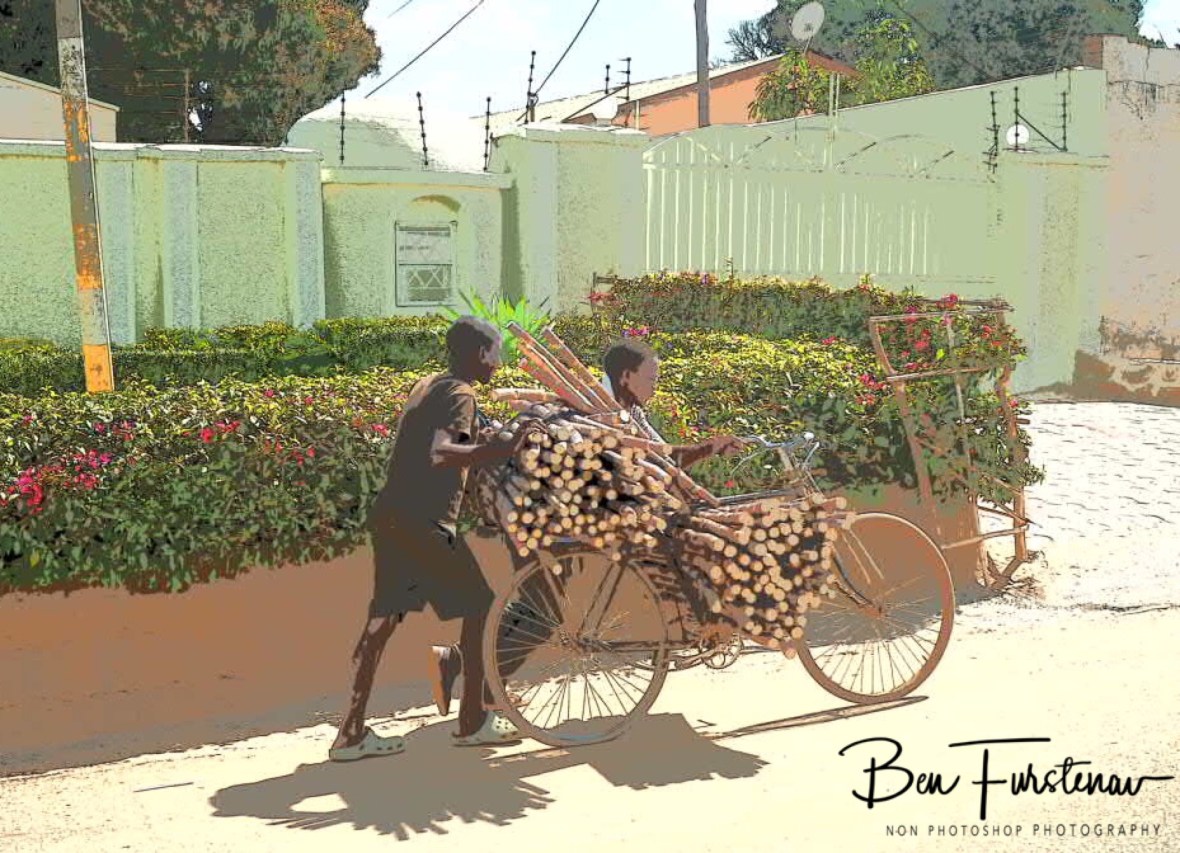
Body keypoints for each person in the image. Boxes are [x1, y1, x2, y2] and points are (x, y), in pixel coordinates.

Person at [426, 335, 748, 719]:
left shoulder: (622, 410)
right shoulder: (591, 412)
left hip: (549, 520)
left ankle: (462, 667)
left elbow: (665, 463)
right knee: (543, 613)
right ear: (627, 376)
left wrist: (710, 447)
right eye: (652, 377)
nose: (656, 385)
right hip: (541, 520)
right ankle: (478, 685)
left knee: (536, 607)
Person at [328, 316, 538, 761]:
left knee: (382, 621)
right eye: (497, 354)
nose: (499, 365)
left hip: (391, 515)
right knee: (481, 606)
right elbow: (441, 452)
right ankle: (473, 722)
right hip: (425, 521)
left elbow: (445, 438)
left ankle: (349, 734)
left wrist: (484, 438)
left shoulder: (430, 385)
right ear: (481, 353)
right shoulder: (459, 393)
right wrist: (502, 450)